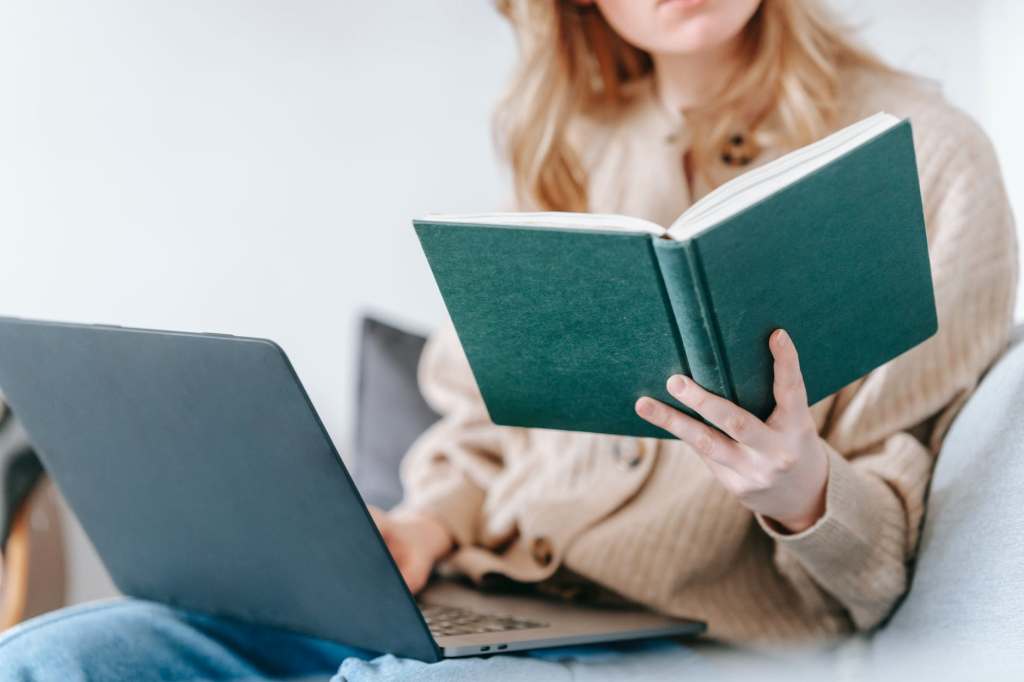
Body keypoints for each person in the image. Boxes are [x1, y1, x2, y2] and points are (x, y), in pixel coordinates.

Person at [1, 0, 1017, 679]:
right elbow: (481, 427)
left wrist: (801, 493)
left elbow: (882, 557)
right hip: (487, 599)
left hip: (680, 636)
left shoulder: (925, 164)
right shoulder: (570, 139)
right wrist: (424, 523)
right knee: (63, 656)